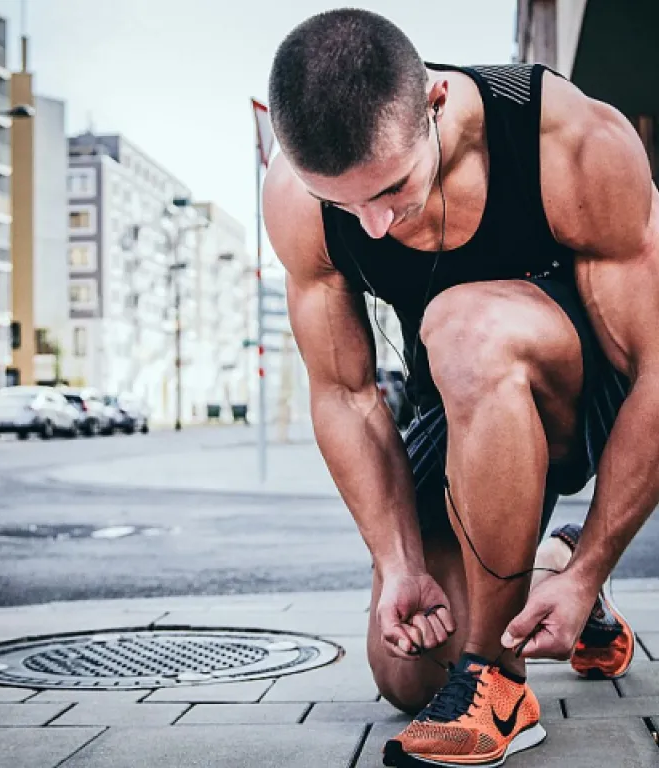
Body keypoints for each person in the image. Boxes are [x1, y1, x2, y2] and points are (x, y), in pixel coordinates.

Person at [263, 8, 655, 767]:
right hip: (463, 403)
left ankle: (499, 683)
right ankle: (540, 577)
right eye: (348, 205)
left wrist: (592, 569)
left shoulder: (567, 140)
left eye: (393, 189)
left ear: (436, 102)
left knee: (464, 322)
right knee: (407, 671)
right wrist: (399, 564)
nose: (373, 226)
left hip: (592, 390)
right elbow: (344, 395)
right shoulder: (298, 198)